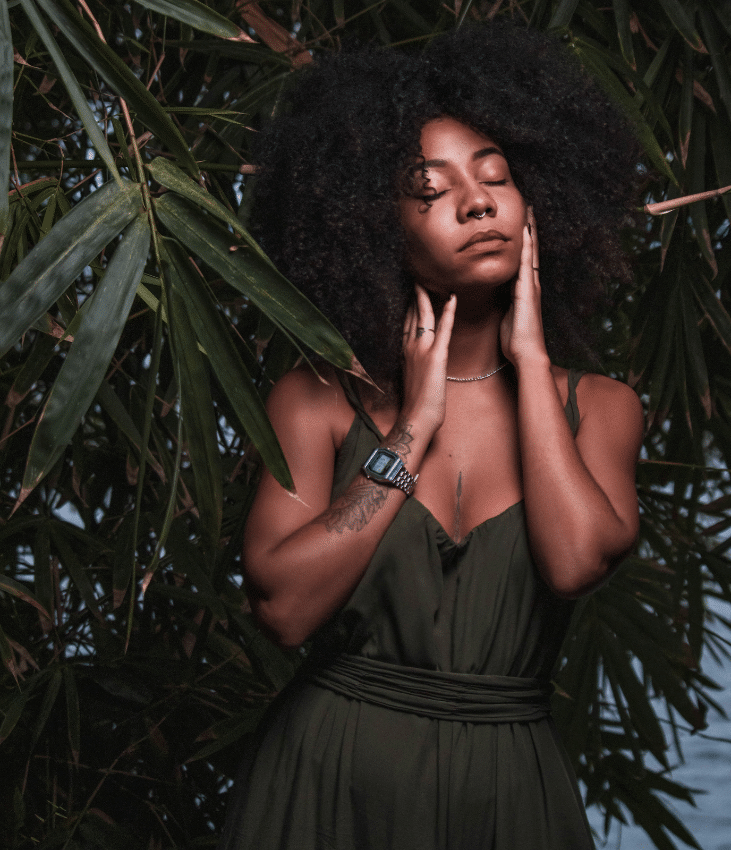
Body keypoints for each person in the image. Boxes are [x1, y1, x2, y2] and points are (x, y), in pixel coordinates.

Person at [219, 22, 643, 850]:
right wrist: (411, 431)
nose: (477, 201)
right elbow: (283, 608)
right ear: (376, 227)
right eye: (431, 189)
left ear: (536, 205)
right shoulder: (316, 402)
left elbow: (574, 560)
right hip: (324, 786)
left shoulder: (601, 406)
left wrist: (529, 357)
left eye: (495, 179)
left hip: (508, 800)